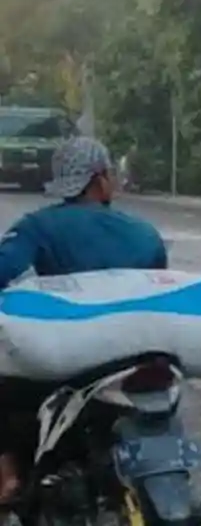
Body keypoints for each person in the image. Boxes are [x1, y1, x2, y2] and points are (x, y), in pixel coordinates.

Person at [0, 136, 169, 501]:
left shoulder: (37, 227)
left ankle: (8, 475)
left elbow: (3, 271)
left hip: (67, 361)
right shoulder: (144, 232)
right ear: (99, 178)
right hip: (133, 357)